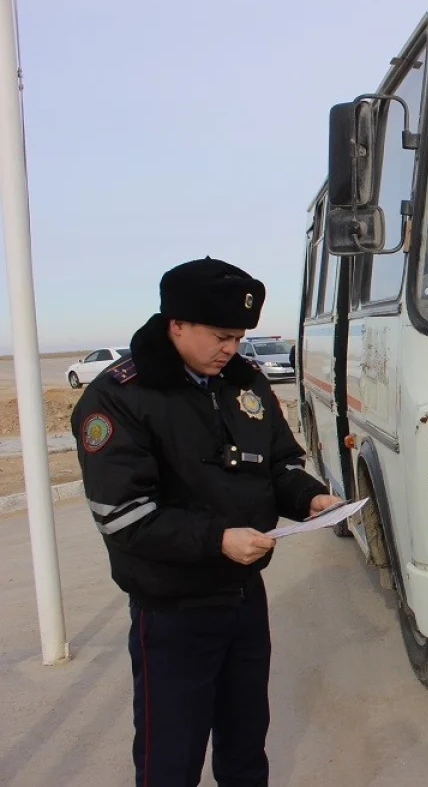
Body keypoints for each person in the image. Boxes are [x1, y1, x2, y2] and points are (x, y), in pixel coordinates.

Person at [71, 257, 340, 786]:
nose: (231, 349)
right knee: (169, 762)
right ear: (176, 325)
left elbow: (279, 463)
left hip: (243, 601)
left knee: (245, 751)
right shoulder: (120, 397)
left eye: (239, 337)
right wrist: (217, 540)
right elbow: (123, 517)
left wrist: (311, 499)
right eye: (221, 336)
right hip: (174, 613)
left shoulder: (244, 382)